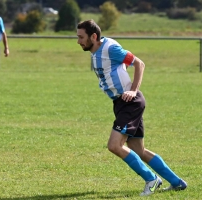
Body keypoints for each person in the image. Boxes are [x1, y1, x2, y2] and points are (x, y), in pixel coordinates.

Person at [76, 19, 187, 196]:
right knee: (138, 149)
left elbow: (139, 63)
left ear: (94, 36)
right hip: (120, 103)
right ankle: (176, 182)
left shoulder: (110, 48)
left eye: (81, 37)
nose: (78, 41)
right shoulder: (96, 50)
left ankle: (152, 179)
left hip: (130, 102)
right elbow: (120, 65)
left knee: (114, 145)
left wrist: (133, 90)